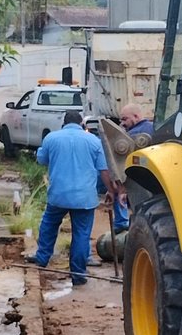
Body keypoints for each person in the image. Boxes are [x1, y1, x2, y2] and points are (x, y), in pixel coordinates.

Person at [32, 111, 109, 286]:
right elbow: (104, 170)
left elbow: (42, 160)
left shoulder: (52, 138)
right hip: (84, 197)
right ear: (82, 123)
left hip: (59, 195)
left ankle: (42, 259)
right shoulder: (93, 141)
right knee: (81, 234)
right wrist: (112, 191)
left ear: (64, 122)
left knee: (49, 225)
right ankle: (78, 275)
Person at [108, 104, 155, 232]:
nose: (122, 123)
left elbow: (123, 165)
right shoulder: (154, 128)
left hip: (139, 183)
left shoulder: (131, 136)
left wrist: (122, 189)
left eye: (125, 119)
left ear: (136, 116)